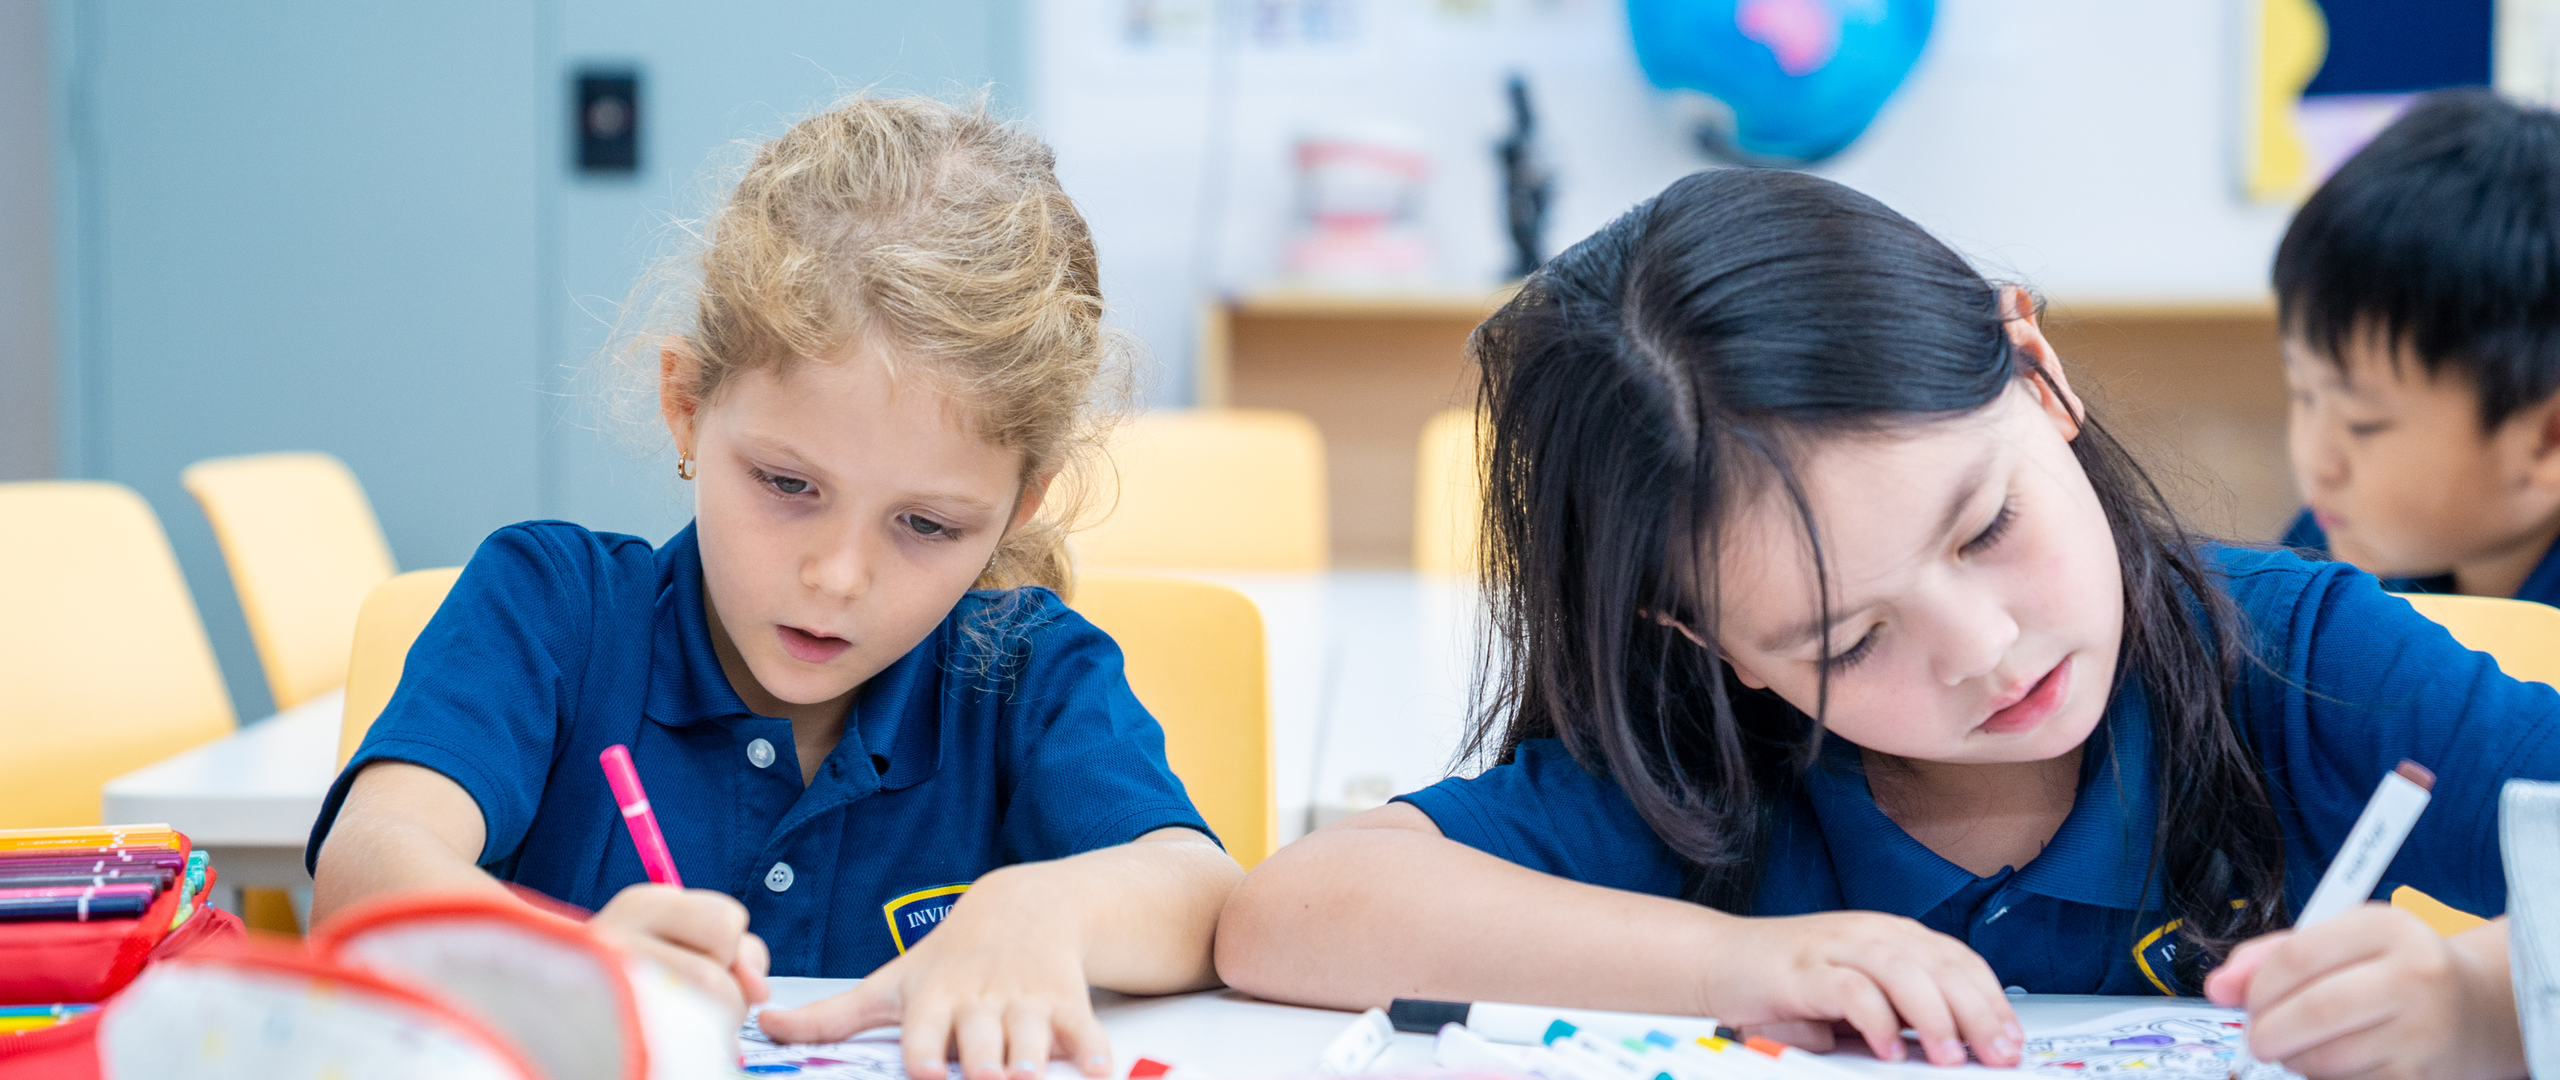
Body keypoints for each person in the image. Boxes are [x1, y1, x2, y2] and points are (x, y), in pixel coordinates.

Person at [1216, 167, 2554, 1080]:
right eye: (1847, 643)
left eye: (1985, 529)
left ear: (2037, 377)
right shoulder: (1709, 764)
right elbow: (1296, 913)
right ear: (1705, 642)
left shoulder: (2299, 663)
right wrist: (1743, 963)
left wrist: (2478, 1005)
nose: (1982, 646)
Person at [308, 93, 1241, 1080]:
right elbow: (366, 864)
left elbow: (1204, 896)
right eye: (787, 486)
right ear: (685, 407)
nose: (836, 577)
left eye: (925, 525)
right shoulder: (553, 608)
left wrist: (1042, 912)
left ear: (1017, 510)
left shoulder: (1026, 677)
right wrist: (556, 962)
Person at [2278, 89, 2560, 604]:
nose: (2315, 461)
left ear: (2549, 439)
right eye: (2303, 393)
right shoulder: (2326, 550)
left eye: (2365, 423)